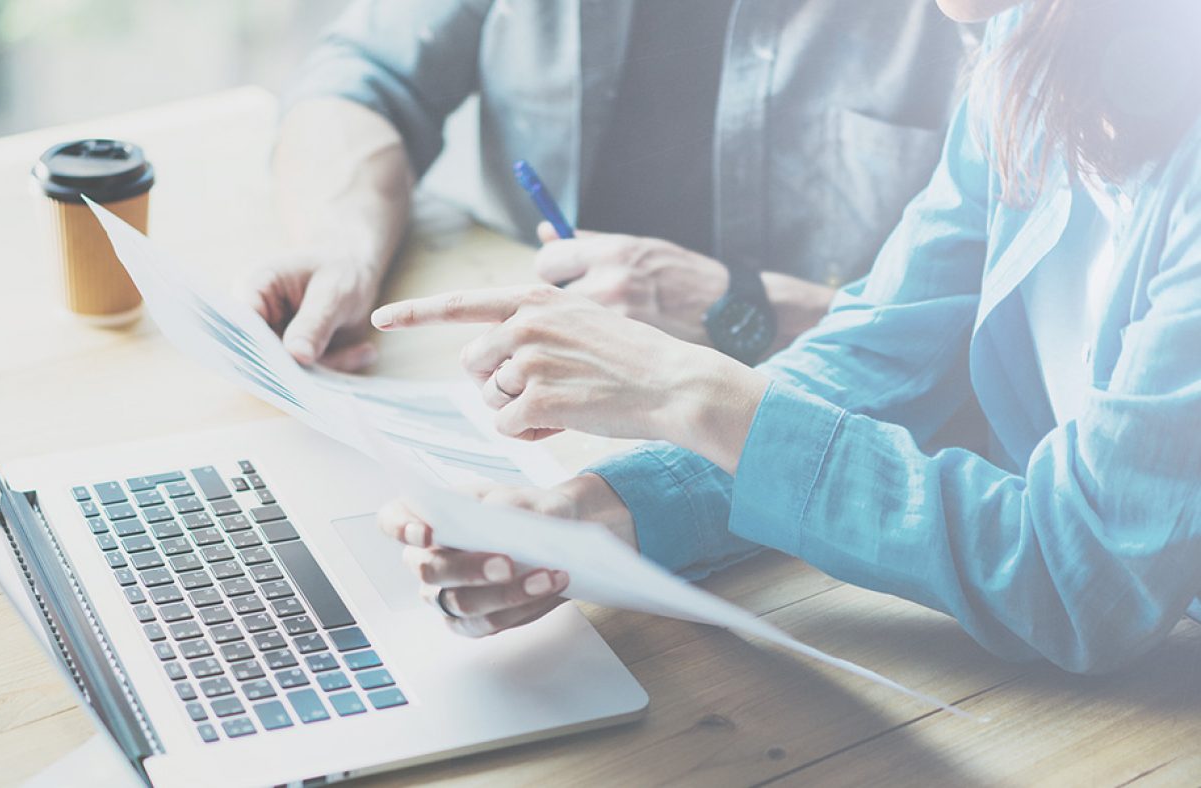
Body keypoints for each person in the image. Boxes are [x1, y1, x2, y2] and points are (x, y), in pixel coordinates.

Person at [369, 0, 1201, 672]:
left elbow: (1081, 578)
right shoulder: (1027, 47)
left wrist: (689, 391)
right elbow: (876, 357)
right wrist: (592, 517)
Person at [248, 1, 970, 370]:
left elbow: (1001, 342)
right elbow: (364, 76)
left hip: (814, 410)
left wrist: (740, 307)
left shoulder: (976, 19)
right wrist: (343, 243)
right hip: (527, 383)